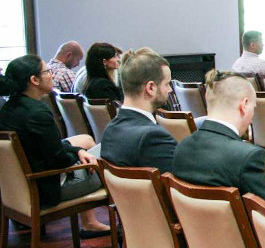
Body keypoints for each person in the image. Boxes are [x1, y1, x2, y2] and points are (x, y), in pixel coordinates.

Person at [0, 55, 108, 233]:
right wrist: (79, 155)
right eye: (47, 71)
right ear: (34, 80)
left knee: (86, 143)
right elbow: (60, 160)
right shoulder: (37, 113)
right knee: (108, 163)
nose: (51, 75)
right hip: (48, 188)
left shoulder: (8, 108)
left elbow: (50, 145)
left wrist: (78, 151)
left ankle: (90, 224)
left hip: (22, 188)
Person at [172, 70, 265, 199]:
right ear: (244, 105)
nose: (252, 116)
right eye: (253, 107)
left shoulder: (182, 147)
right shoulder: (250, 157)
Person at [99, 49, 178, 172]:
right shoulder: (153, 138)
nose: (170, 90)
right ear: (151, 88)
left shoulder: (110, 129)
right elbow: (182, 185)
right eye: (167, 84)